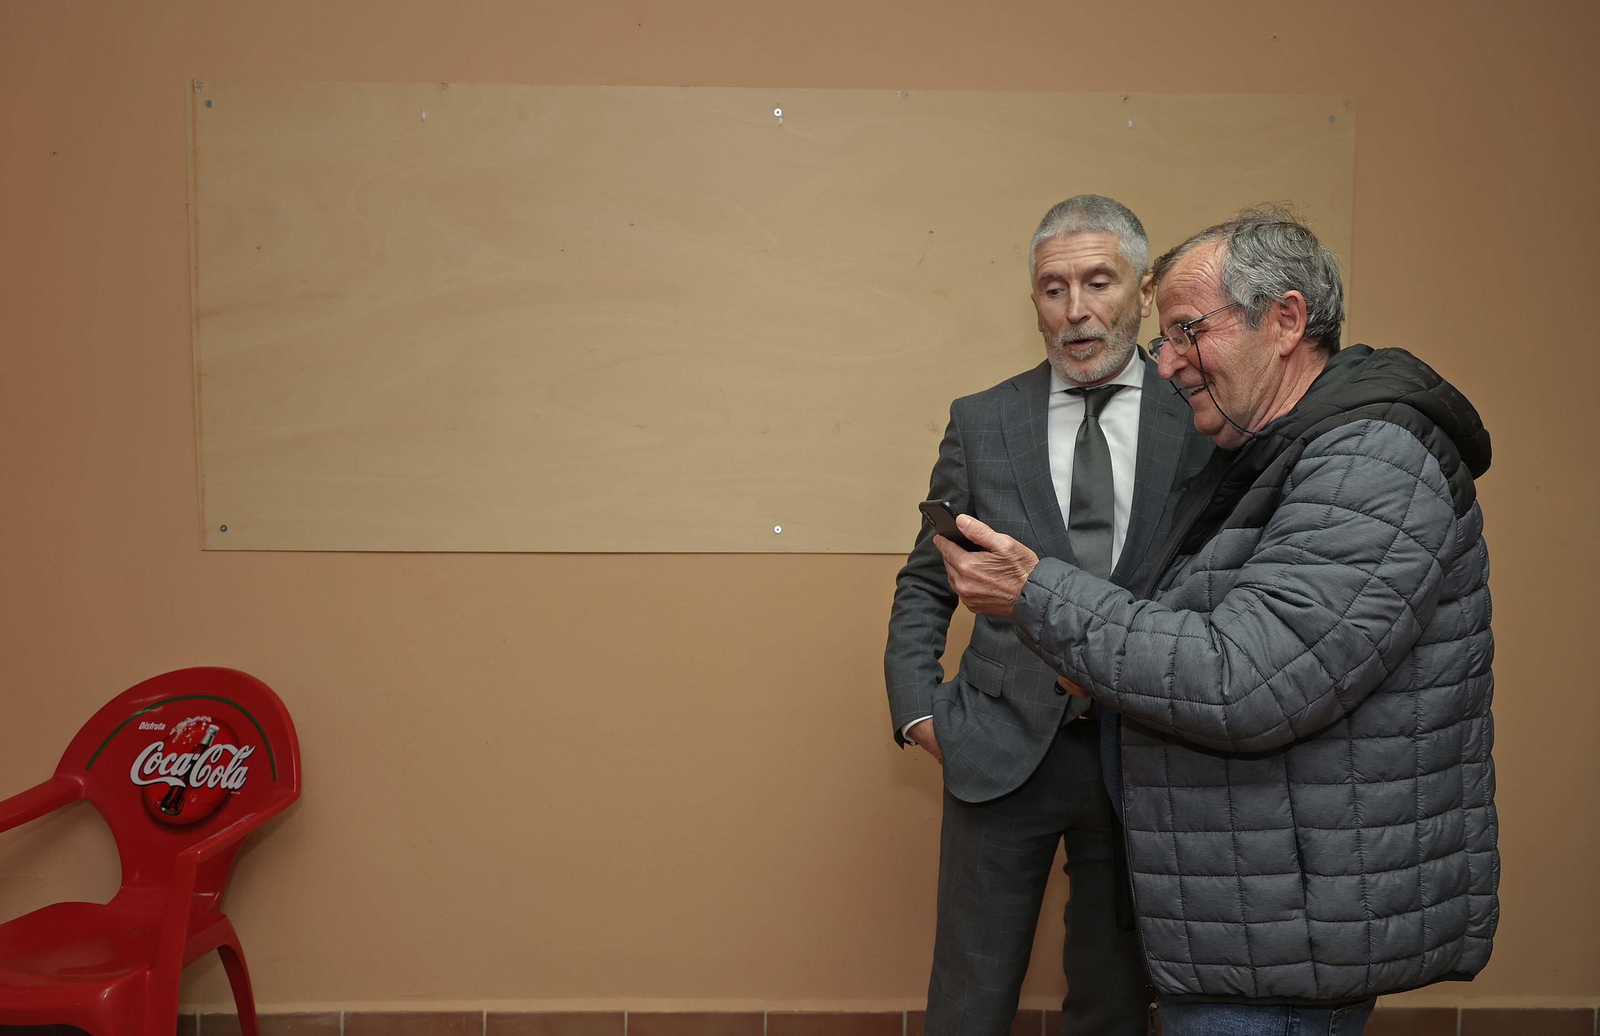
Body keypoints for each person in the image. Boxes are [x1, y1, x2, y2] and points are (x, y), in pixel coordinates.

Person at [933, 208, 1498, 1036]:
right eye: (1166, 340)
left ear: (1286, 320)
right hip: (1256, 913)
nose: (1168, 365)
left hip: (1281, 934)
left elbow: (1244, 678)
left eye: (1189, 332)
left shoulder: (1368, 460)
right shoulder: (1277, 450)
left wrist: (1037, 594)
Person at [884, 195, 1211, 1035]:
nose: (1075, 311)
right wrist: (920, 709)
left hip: (1144, 751)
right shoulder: (984, 421)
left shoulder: (1204, 418)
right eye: (1052, 289)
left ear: (1143, 292)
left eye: (1098, 282)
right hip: (999, 745)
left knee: (1113, 1001)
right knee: (970, 999)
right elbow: (927, 578)